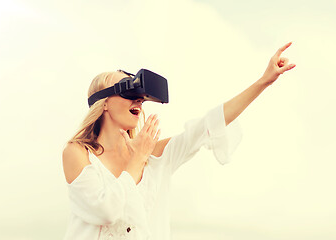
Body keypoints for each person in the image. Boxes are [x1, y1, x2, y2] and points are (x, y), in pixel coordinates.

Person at [62, 42, 296, 240]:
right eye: (130, 93)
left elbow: (208, 125)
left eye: (141, 97)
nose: (139, 101)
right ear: (103, 103)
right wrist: (137, 160)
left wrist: (263, 82)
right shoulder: (78, 153)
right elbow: (106, 210)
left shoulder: (154, 156)